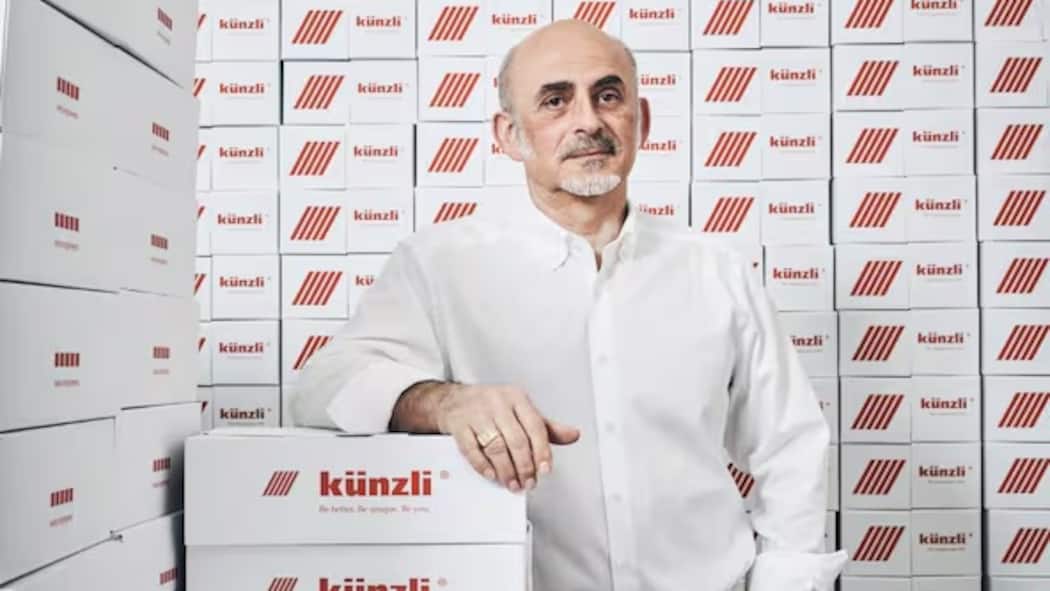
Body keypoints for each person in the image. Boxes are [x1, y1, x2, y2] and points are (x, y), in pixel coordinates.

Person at [294, 19, 847, 591]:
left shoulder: (717, 269)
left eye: (607, 96)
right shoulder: (438, 265)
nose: (588, 121)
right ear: (510, 135)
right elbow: (321, 389)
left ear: (641, 120)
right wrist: (444, 403)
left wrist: (785, 580)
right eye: (555, 101)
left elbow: (790, 445)